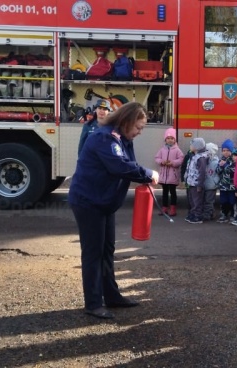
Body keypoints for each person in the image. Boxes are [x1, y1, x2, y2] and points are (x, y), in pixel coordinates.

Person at [68, 102, 159, 319]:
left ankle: (111, 296)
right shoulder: (105, 137)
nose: (139, 132)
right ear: (126, 121)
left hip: (103, 202)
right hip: (89, 202)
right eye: (138, 127)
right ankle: (93, 303)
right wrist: (148, 174)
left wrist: (140, 175)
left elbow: (127, 164)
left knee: (107, 251)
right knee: (93, 253)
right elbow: (119, 165)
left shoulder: (122, 138)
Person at [154, 127, 183, 216]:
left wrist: (173, 163)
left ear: (174, 140)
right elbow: (157, 158)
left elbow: (181, 159)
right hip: (164, 177)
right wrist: (162, 162)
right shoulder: (162, 149)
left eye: (172, 138)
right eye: (168, 138)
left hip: (172, 176)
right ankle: (164, 207)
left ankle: (173, 208)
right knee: (164, 193)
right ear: (165, 140)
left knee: (173, 192)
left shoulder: (177, 150)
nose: (170, 140)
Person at [184, 138, 208, 224]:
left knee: (197, 201)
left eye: (192, 145)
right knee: (192, 200)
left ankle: (198, 216)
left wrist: (199, 185)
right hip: (191, 182)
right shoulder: (194, 156)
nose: (190, 146)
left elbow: (202, 173)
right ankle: (193, 214)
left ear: (197, 147)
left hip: (196, 184)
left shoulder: (201, 158)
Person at [216, 139, 237, 223]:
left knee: (232, 200)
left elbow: (233, 171)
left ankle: (233, 214)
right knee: (223, 200)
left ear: (231, 150)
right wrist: (220, 167)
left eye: (228, 150)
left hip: (232, 186)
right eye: (224, 150)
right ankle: (224, 214)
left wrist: (225, 165)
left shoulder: (234, 160)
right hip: (223, 185)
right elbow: (217, 171)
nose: (225, 152)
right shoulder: (221, 159)